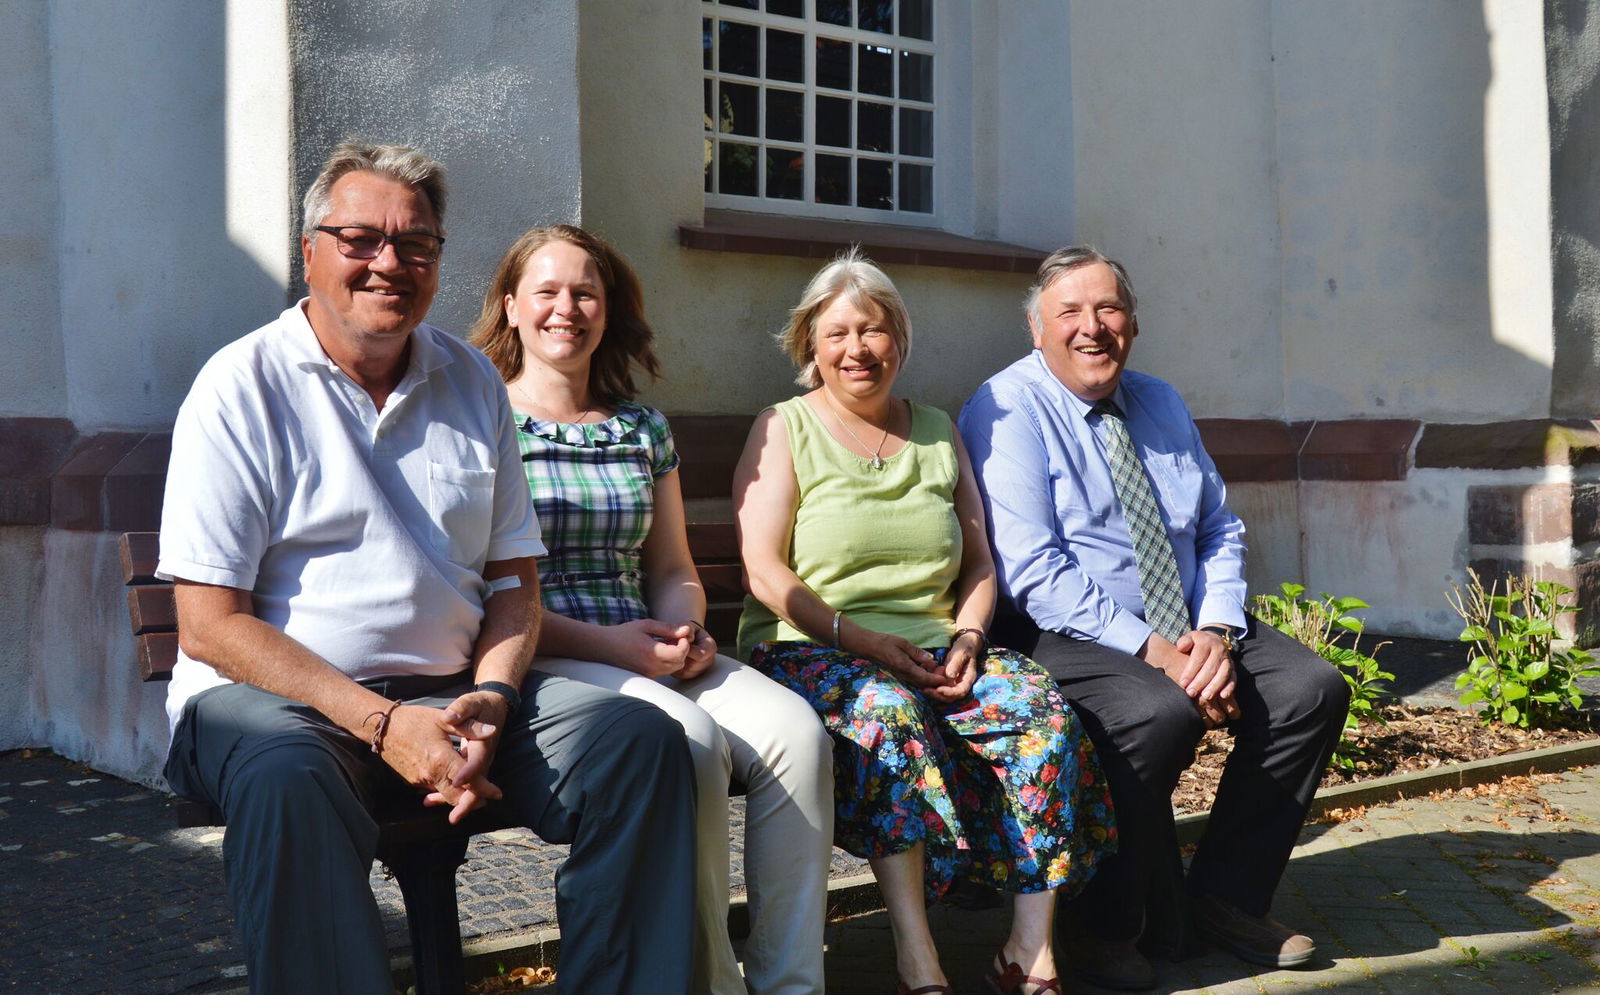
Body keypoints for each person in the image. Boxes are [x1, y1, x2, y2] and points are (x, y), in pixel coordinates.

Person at [156, 142, 696, 995]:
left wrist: (495, 692)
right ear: (310, 253)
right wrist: (380, 723)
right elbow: (209, 625)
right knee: (287, 778)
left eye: (416, 245)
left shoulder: (473, 380)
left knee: (641, 744)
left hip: (450, 687)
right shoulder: (240, 386)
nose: (389, 263)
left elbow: (516, 583)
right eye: (360, 238)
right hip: (281, 706)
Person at [958, 246, 1350, 990]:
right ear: (1036, 331)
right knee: (1156, 712)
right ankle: (1098, 922)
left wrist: (1214, 633)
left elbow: (1217, 530)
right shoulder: (1006, 409)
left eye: (1108, 309)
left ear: (1132, 323)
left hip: (1186, 622)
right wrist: (1159, 653)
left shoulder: (1161, 401)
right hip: (1061, 629)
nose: (1092, 327)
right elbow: (1034, 571)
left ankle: (1225, 898)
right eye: (1069, 312)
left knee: (1311, 688)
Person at [734, 249, 1115, 995]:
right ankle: (918, 957)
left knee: (1037, 710)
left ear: (899, 341)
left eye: (873, 331)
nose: (857, 349)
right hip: (816, 650)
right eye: (838, 333)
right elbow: (762, 570)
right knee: (888, 715)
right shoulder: (784, 428)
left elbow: (978, 564)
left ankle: (1028, 952)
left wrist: (972, 637)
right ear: (810, 344)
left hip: (939, 646)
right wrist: (861, 640)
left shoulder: (938, 429)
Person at [470, 224, 834, 995]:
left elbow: (671, 566)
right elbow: (485, 590)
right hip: (550, 652)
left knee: (799, 733)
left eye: (585, 292)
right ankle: (711, 982)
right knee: (691, 740)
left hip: (647, 642)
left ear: (607, 309)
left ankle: (792, 984)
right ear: (509, 306)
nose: (566, 308)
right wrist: (617, 647)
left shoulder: (641, 428)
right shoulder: (483, 422)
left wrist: (688, 626)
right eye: (547, 291)